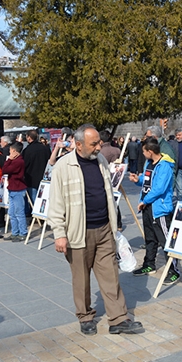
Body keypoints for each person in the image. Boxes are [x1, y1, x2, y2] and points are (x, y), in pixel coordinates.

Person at [48, 124, 143, 335]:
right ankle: (85, 316)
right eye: (94, 144)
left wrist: (113, 225)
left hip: (104, 230)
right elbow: (55, 204)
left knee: (110, 276)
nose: (99, 147)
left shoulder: (100, 160)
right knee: (81, 278)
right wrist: (59, 234)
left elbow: (108, 193)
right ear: (78, 144)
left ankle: (118, 319)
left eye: (99, 142)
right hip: (78, 233)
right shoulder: (63, 166)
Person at [129, 138, 180, 285]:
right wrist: (137, 180)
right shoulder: (149, 164)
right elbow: (147, 182)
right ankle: (149, 264)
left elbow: (159, 189)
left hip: (159, 208)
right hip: (147, 207)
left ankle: (174, 270)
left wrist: (144, 201)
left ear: (150, 151)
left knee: (165, 240)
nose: (143, 154)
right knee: (150, 238)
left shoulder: (164, 166)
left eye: (144, 152)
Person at [2, 142, 27, 242]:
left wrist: (9, 160)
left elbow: (5, 170)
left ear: (14, 151)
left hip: (18, 189)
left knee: (19, 212)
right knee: (12, 213)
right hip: (12, 188)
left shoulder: (18, 162)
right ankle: (14, 232)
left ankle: (23, 232)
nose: (9, 153)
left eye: (10, 151)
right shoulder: (15, 161)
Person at [23, 129, 51, 213]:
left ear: (28, 138)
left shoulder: (27, 150)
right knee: (44, 199)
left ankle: (37, 216)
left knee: (34, 199)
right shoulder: (45, 148)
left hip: (31, 178)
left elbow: (24, 164)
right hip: (44, 177)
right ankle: (43, 214)